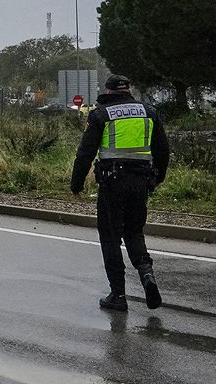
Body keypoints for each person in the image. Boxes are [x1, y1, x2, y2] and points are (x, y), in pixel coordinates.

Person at [71, 75, 170, 311]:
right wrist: (158, 178)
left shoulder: (101, 114)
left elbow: (85, 153)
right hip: (140, 182)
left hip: (112, 182)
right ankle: (147, 274)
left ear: (108, 90)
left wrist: (76, 184)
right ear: (129, 90)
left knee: (110, 237)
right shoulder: (148, 111)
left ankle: (118, 295)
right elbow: (163, 149)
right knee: (134, 232)